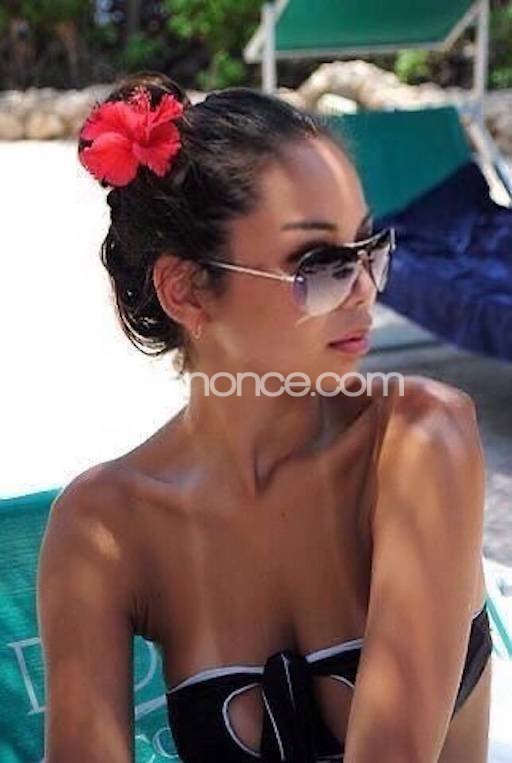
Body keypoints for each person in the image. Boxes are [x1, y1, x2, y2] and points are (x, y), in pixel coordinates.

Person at [36, 71, 493, 763]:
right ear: (187, 290)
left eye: (369, 250)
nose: (365, 290)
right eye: (321, 264)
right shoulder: (103, 526)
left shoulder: (420, 438)